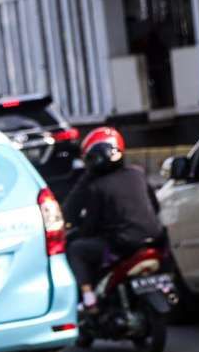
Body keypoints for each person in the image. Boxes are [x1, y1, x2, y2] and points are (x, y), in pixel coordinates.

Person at [63, 127, 163, 311]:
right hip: (154, 238)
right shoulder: (137, 173)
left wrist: (80, 232)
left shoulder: (96, 186)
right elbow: (155, 206)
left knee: (76, 249)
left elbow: (90, 223)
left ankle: (88, 297)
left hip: (121, 244)